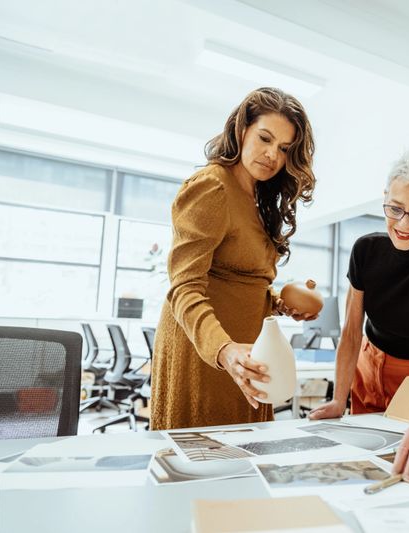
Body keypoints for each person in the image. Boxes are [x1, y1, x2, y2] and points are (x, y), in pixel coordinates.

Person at [151, 87, 316, 430]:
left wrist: (279, 303)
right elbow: (184, 287)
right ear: (242, 131)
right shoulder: (212, 186)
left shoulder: (256, 198)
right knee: (203, 460)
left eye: (284, 149)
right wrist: (224, 350)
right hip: (208, 352)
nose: (272, 155)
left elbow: (237, 280)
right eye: (265, 138)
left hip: (247, 353)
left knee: (244, 458)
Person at [309, 149, 409, 482]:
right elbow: (351, 332)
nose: (404, 224)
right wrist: (339, 399)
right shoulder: (366, 250)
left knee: (406, 464)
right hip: (367, 366)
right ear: (385, 198)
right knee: (364, 460)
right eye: (395, 209)